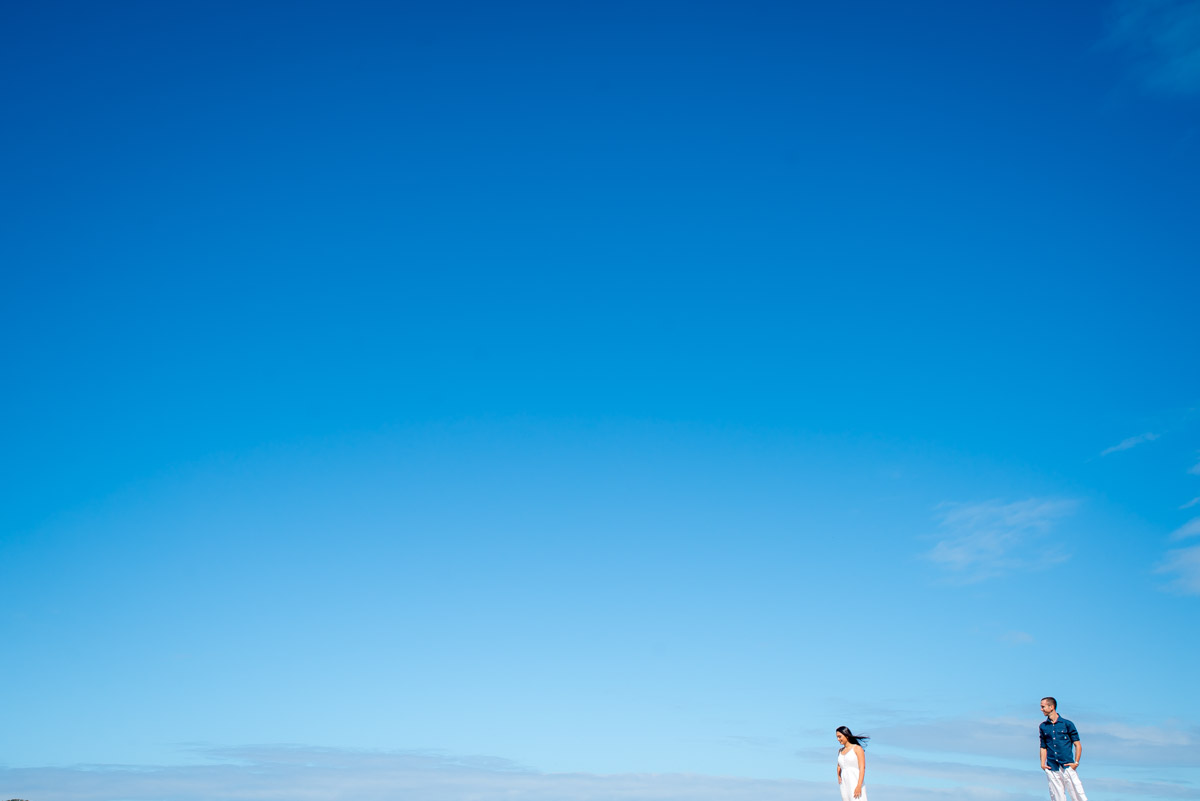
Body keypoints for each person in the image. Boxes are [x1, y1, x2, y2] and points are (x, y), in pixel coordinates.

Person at [1039, 696, 1088, 801]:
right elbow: (1043, 746)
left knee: (1078, 794)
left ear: (1051, 707)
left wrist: (1076, 762)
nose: (1041, 709)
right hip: (1052, 766)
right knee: (1057, 797)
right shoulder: (1043, 726)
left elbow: (1077, 744)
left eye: (1043, 707)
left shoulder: (1067, 724)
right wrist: (1043, 764)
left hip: (1067, 765)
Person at [836, 725, 869, 801]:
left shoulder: (857, 748)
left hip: (855, 780)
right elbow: (839, 765)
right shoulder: (840, 751)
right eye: (837, 737)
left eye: (840, 736)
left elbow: (862, 767)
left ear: (846, 736)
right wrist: (838, 776)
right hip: (844, 783)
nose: (838, 739)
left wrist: (859, 785)